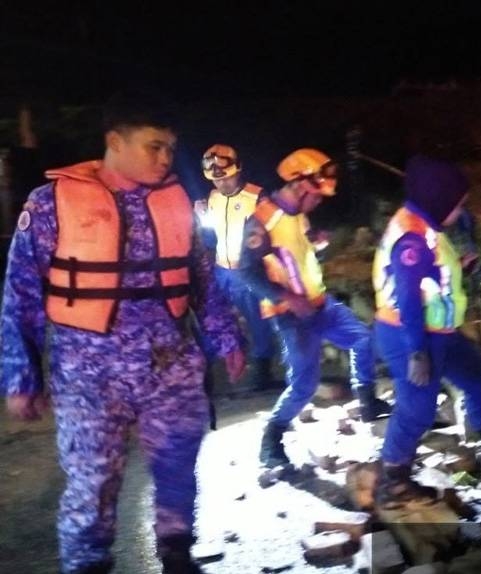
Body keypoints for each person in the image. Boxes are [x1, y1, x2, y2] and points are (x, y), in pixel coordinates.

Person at [0, 90, 246, 574]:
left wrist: (225, 336)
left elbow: (200, 278)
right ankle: (88, 564)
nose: (165, 157)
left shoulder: (176, 202)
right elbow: (20, 295)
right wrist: (20, 377)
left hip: (172, 363)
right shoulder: (50, 204)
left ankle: (177, 554)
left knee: (178, 467)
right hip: (90, 373)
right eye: (153, 146)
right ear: (115, 141)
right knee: (93, 484)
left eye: (170, 148)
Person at [372, 155, 481, 508]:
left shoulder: (425, 223)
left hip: (440, 332)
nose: (462, 208)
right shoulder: (413, 240)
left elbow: (430, 275)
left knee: (477, 376)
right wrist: (417, 352)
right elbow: (407, 299)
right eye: (458, 203)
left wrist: (457, 265)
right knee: (416, 409)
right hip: (409, 334)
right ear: (440, 200)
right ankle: (393, 479)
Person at [237, 147, 390, 467]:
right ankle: (272, 438)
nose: (320, 201)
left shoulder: (299, 214)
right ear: (299, 185)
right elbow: (247, 271)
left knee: (362, 339)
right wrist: (288, 298)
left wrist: (317, 241)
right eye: (316, 195)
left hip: (320, 303)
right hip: (290, 315)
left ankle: (367, 402)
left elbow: (298, 252)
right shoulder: (262, 219)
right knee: (304, 384)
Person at [194, 143, 279, 390]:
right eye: (216, 180)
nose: (221, 184)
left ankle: (262, 372)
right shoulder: (212, 199)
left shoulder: (257, 197)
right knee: (214, 318)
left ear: (237, 169)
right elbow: (208, 235)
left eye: (226, 178)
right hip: (221, 270)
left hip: (248, 271)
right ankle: (207, 373)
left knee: (257, 321)